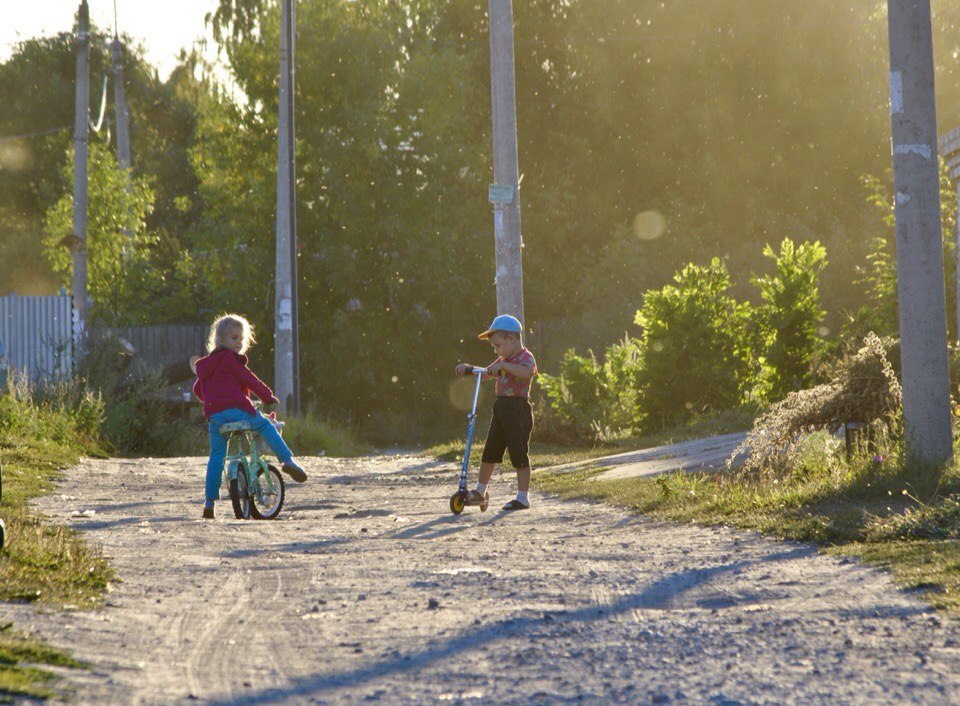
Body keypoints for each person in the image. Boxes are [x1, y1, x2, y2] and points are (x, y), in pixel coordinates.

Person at [192, 314, 306, 519]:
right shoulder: (229, 359)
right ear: (220, 340)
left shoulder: (206, 365)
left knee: (216, 456)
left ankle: (209, 504)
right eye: (234, 338)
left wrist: (213, 400)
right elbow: (249, 379)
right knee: (264, 424)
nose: (239, 342)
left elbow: (198, 389)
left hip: (216, 417)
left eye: (241, 338)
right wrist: (268, 397)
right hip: (238, 410)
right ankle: (287, 461)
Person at [455, 314, 537, 511]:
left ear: (511, 339)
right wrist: (469, 369)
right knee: (490, 451)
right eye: (494, 347)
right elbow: (486, 374)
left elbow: (527, 372)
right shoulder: (503, 359)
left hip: (518, 409)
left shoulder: (524, 357)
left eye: (497, 345)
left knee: (518, 452)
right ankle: (480, 492)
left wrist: (504, 366)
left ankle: (522, 497)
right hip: (501, 409)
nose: (496, 349)